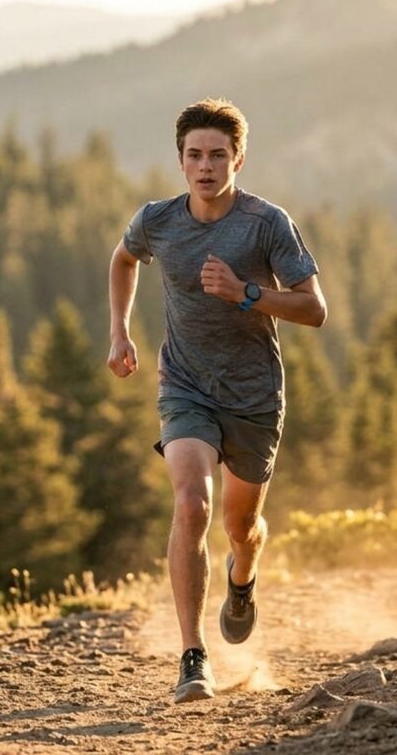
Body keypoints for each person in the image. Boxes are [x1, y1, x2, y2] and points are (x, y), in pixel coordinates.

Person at [106, 98, 327, 703]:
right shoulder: (157, 220)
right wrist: (120, 332)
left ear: (238, 158)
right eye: (195, 155)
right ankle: (192, 657)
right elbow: (123, 260)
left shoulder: (266, 223)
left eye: (218, 155)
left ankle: (243, 575)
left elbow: (315, 309)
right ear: (179, 161)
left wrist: (248, 292)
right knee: (191, 502)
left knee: (242, 525)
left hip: (254, 393)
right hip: (185, 385)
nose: (206, 166)